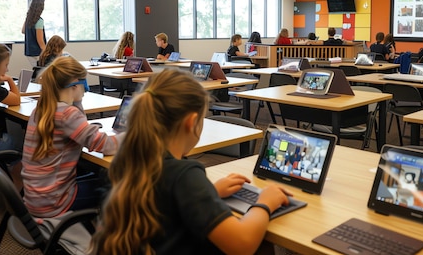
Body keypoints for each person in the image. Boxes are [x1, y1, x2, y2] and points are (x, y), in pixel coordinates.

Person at [90, 70, 290, 254]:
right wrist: (265, 202)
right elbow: (242, 244)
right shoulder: (184, 175)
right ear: (191, 122)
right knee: (263, 244)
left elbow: (165, 202)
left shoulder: (127, 161)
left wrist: (209, 191)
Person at [21, 56, 121, 218]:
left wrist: (77, 101)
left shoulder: (42, 108)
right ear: (75, 84)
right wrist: (132, 134)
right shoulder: (67, 114)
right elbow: (105, 145)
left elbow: (78, 128)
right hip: (55, 201)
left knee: (95, 174)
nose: (86, 89)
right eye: (84, 84)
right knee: (116, 184)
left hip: (36, 197)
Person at [22, 0, 47, 67]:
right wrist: (47, 52)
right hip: (38, 52)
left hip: (29, 51)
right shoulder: (39, 21)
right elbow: (40, 41)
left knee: (36, 71)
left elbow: (23, 31)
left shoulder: (28, 18)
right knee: (42, 73)